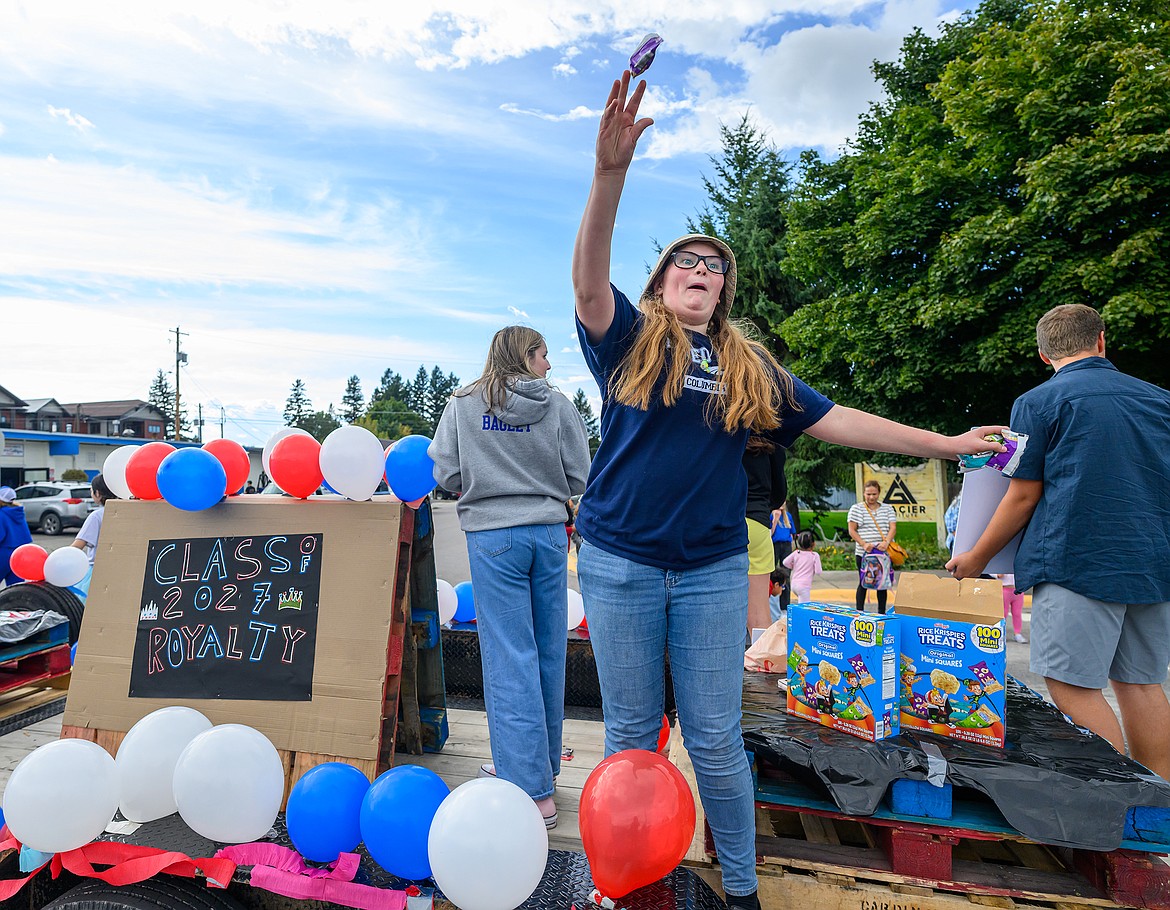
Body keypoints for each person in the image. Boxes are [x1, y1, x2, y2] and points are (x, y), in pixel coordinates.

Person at [570, 70, 1006, 908]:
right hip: (621, 564)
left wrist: (945, 443)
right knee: (630, 736)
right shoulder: (627, 340)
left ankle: (740, 892)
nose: (702, 270)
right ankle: (625, 887)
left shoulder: (751, 366)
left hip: (706, 571)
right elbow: (589, 281)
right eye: (686, 263)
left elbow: (845, 421)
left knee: (717, 739)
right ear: (663, 283)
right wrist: (610, 177)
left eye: (715, 267)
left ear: (724, 292)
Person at [948, 304, 1170, 778]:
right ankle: (1159, 806)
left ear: (1043, 353)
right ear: (1102, 342)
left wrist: (975, 557)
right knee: (1142, 684)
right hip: (1152, 563)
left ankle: (1116, 793)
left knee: (1070, 684)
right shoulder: (1159, 400)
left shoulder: (1039, 402)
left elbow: (1023, 495)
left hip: (1077, 561)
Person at [429, 326, 591, 829]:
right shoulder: (560, 406)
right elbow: (580, 476)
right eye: (544, 355)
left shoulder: (461, 404)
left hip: (493, 536)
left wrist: (485, 479)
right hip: (547, 534)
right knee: (547, 653)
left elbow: (446, 473)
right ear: (526, 353)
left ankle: (529, 788)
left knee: (508, 658)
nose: (548, 365)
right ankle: (537, 771)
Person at [744, 434, 786, 633]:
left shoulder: (710, 424)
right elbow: (779, 493)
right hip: (756, 523)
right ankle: (761, 662)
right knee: (760, 615)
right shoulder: (770, 435)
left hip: (717, 524)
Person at [848, 480, 897, 613]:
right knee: (864, 581)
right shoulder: (856, 509)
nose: (871, 497)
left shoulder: (887, 509)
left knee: (882, 583)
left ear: (879, 493)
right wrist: (863, 544)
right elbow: (852, 530)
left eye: (874, 494)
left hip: (882, 552)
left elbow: (893, 527)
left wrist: (886, 542)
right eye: (868, 494)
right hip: (864, 553)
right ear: (864, 493)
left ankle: (881, 612)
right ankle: (859, 611)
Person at [70, 474, 118, 595]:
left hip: (96, 572)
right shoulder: (126, 512)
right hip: (118, 569)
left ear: (98, 493)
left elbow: (78, 546)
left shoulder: (96, 516)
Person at [0, 486, 33, 587]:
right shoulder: (18, 513)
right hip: (19, 555)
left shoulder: (1, 514)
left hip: (3, 554)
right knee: (15, 589)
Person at [783, 531, 822, 605]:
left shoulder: (796, 553)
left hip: (794, 584)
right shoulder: (814, 555)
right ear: (813, 544)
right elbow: (818, 571)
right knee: (804, 607)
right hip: (804, 586)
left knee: (801, 603)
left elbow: (785, 562)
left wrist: (793, 566)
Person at [998, 573, 1026, 643]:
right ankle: (1001, 633)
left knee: (1017, 613)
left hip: (1018, 589)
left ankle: (1017, 633)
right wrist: (997, 575)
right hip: (1004, 588)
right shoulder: (1001, 563)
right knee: (1004, 613)